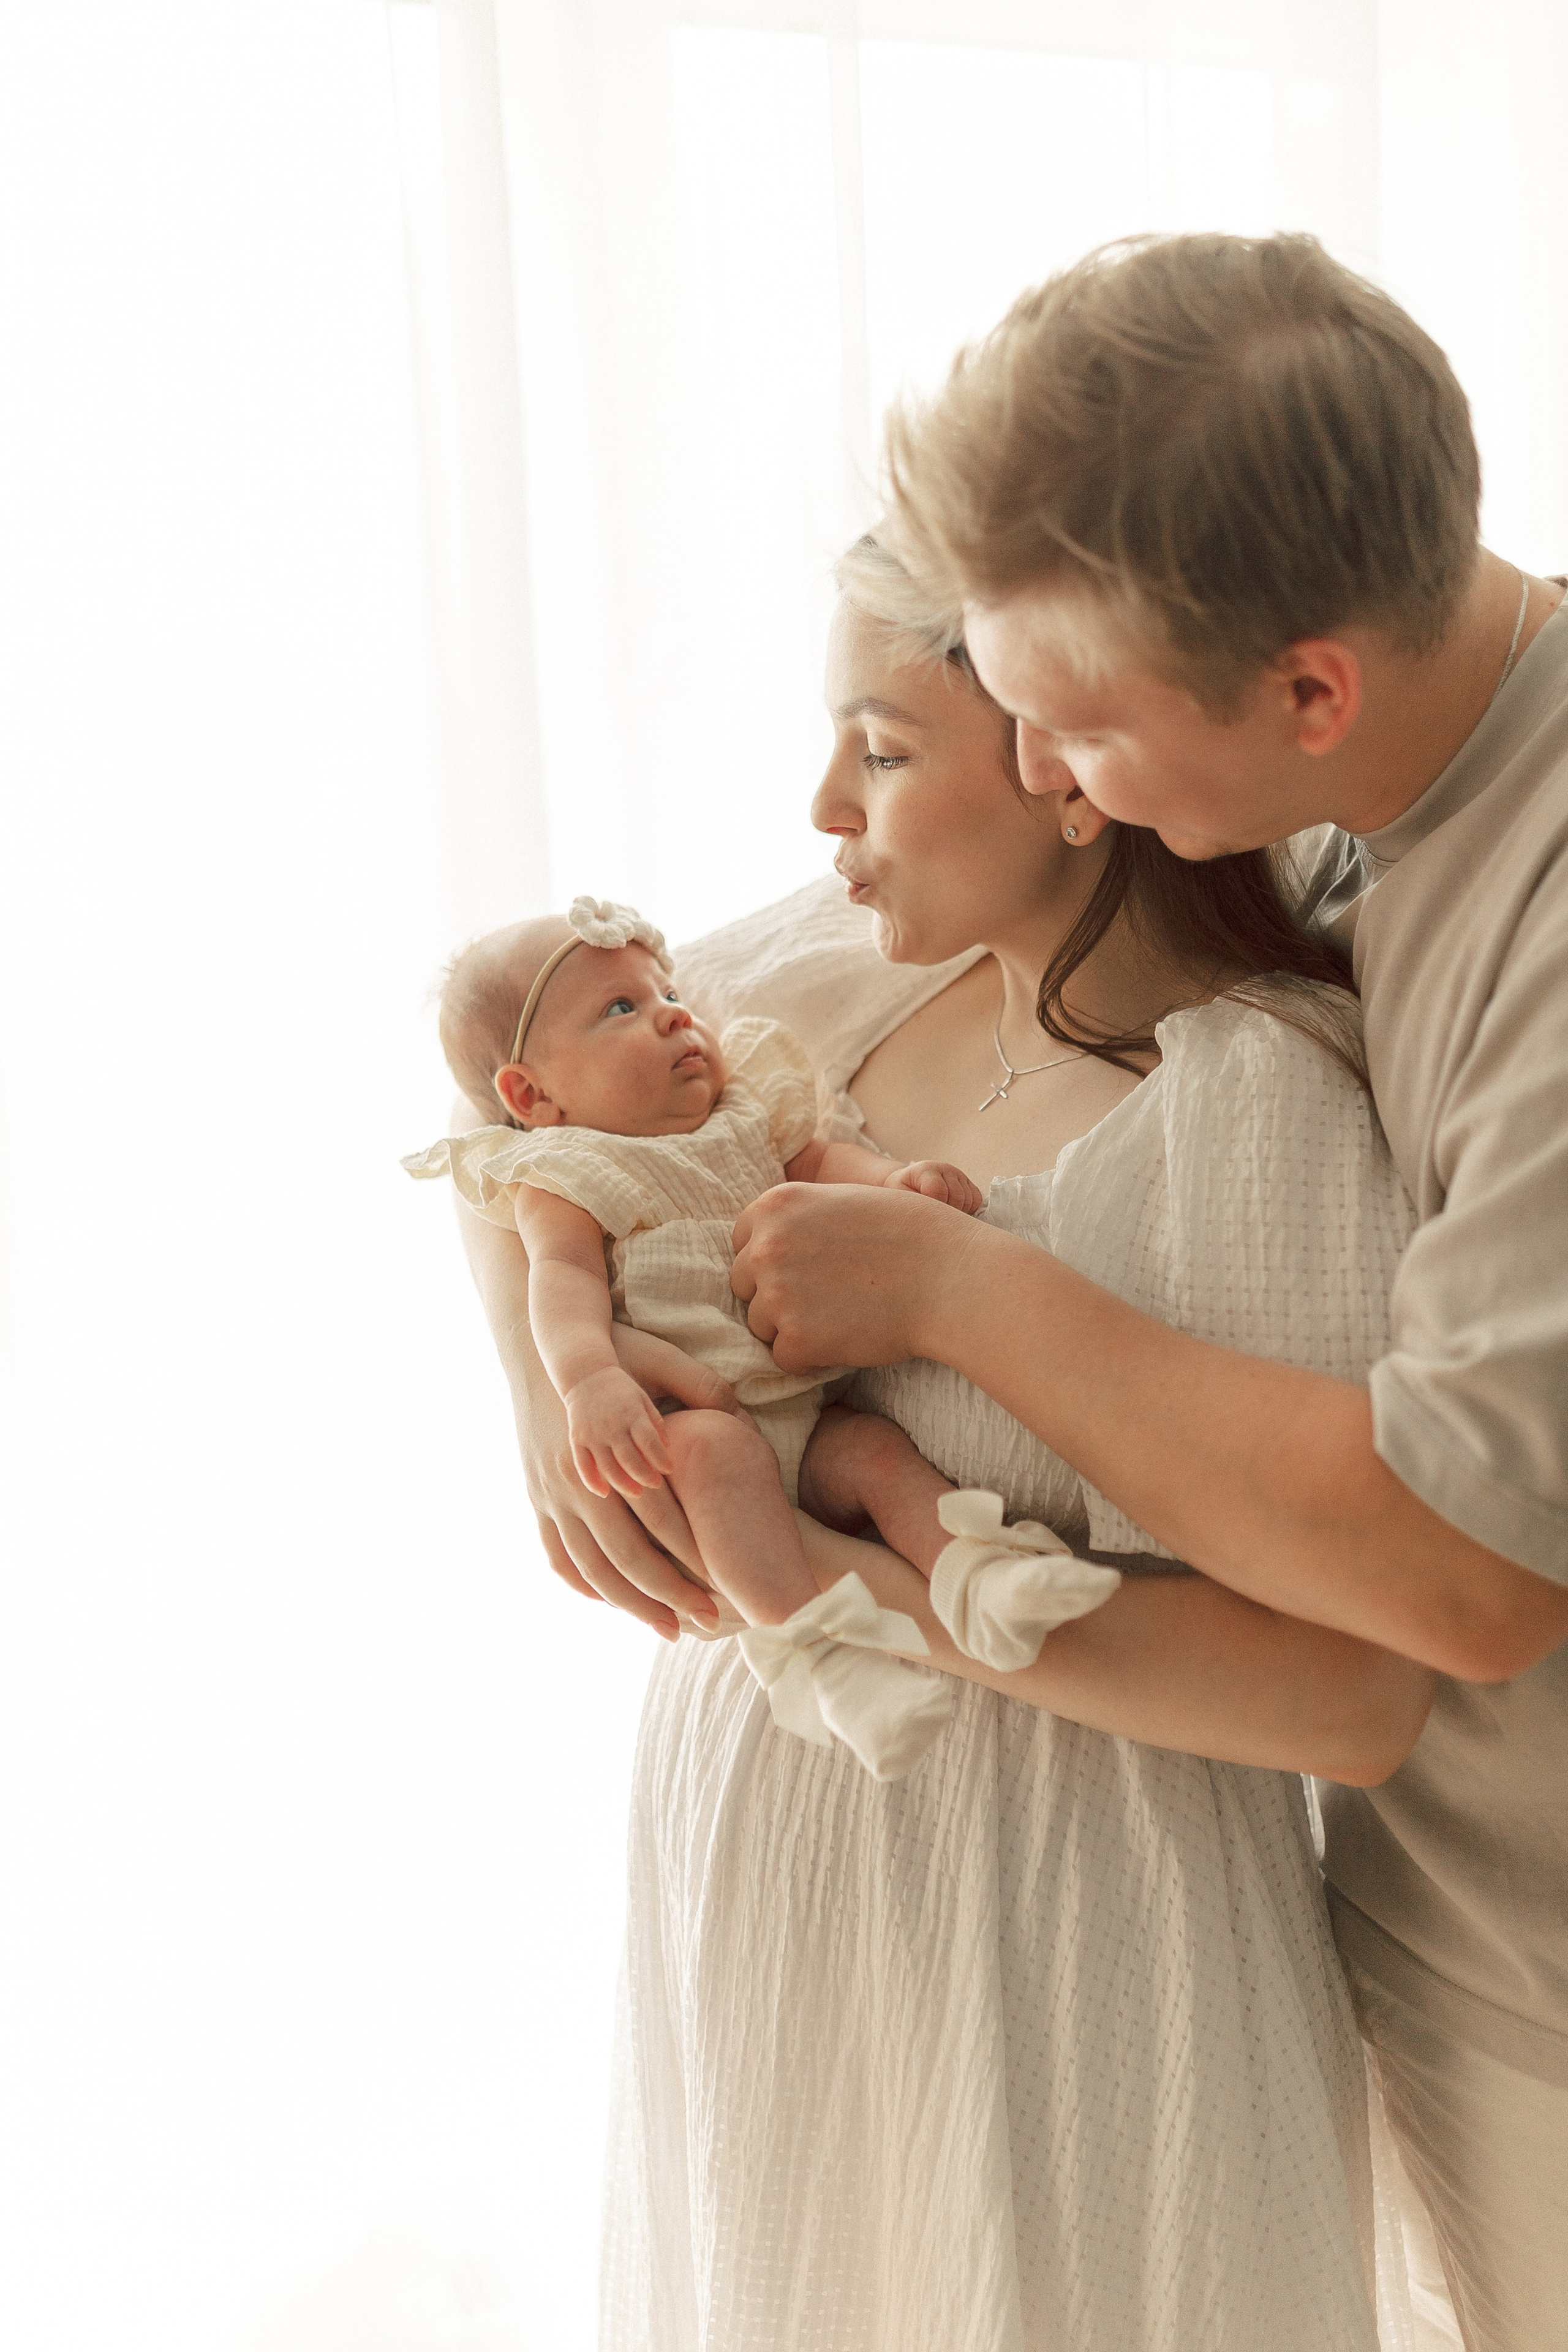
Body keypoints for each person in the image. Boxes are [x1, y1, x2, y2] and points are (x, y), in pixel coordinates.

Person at [454, 535, 1430, 2349]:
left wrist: (840, 1588)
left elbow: (1353, 1700)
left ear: (1068, 766)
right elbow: (498, 1090)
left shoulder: (1254, 1108)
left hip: (1072, 1934)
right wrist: (551, 1389)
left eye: (883, 749)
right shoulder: (811, 1010)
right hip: (772, 1901)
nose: (827, 802)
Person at [732, 235, 1568, 2352]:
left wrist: (957, 1288)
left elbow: (1461, 1577)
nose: (1052, 786)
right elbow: (637, 983)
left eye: (1077, 733)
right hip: (1443, 1932)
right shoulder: (1341, 747)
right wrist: (551, 1320)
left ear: (1307, 691)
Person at [405, 894, 984, 1779]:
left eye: (663, 989)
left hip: (804, 1409)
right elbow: (559, 1284)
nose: (675, 1010)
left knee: (877, 1456)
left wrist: (896, 1182)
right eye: (620, 1009)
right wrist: (585, 1382)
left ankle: (980, 1571)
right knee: (715, 1456)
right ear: (532, 1096)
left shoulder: (744, 1112)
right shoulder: (564, 1171)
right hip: (704, 1421)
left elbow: (821, 1165)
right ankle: (815, 1656)